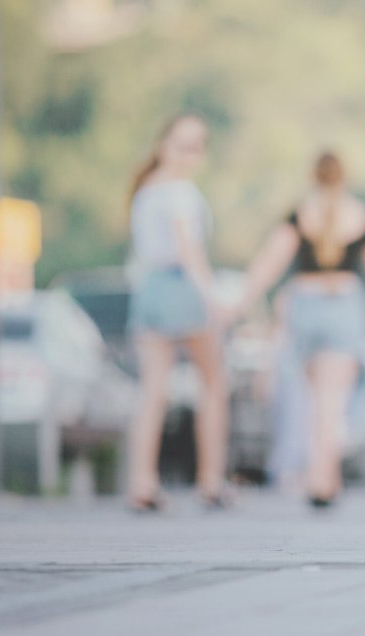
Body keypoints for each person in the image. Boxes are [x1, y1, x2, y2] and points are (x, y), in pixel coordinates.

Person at [229, 152, 365, 506]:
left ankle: (316, 477)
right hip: (345, 306)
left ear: (314, 176)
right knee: (331, 402)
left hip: (304, 305)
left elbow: (269, 263)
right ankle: (325, 479)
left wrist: (240, 302)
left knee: (309, 401)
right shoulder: (360, 214)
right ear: (344, 177)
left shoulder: (300, 214)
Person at [126, 113, 229, 511]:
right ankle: (211, 480)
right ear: (163, 143)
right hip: (181, 287)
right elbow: (190, 250)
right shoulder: (181, 192)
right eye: (184, 144)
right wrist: (212, 297)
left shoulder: (145, 190)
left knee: (153, 389)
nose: (190, 154)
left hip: (149, 287)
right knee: (212, 383)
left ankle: (141, 482)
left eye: (197, 145)